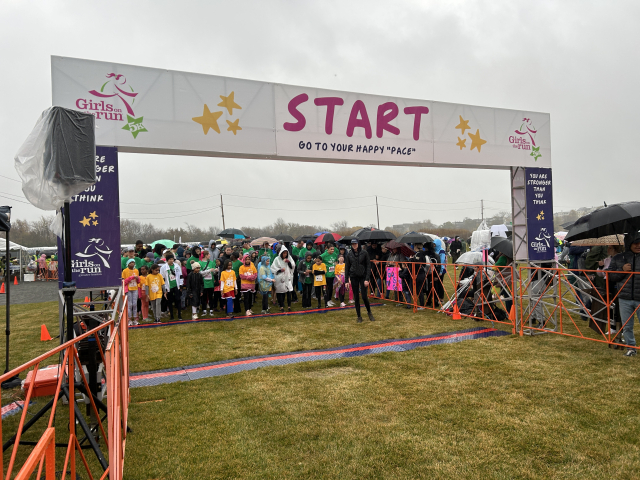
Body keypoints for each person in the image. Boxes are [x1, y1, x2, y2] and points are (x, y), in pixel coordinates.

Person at [606, 231, 640, 356]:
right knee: (627, 326)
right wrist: (622, 270)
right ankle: (631, 348)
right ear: (629, 243)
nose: (638, 245)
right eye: (635, 243)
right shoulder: (619, 258)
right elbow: (610, 276)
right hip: (624, 297)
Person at [345, 239, 375, 323]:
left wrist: (367, 279)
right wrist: (346, 280)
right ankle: (359, 316)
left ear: (358, 244)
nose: (354, 245)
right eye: (352, 244)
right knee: (356, 297)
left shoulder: (364, 253)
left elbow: (368, 266)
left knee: (364, 296)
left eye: (355, 243)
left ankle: (369, 312)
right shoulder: (349, 254)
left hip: (363, 276)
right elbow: (346, 267)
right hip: (353, 276)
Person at [271, 245, 296, 312]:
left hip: (288, 278)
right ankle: (281, 306)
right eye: (284, 253)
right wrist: (280, 270)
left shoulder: (289, 258)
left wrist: (288, 262)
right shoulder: (277, 259)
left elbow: (292, 267)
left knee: (289, 291)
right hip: (280, 278)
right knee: (280, 292)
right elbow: (273, 268)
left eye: (286, 253)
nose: (285, 254)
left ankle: (289, 306)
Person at [160, 253, 183, 320]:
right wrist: (164, 288)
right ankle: (171, 315)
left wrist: (181, 285)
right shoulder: (163, 267)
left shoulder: (177, 266)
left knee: (178, 300)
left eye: (172, 259)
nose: (171, 260)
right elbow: (162, 278)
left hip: (176, 285)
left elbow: (180, 276)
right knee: (169, 301)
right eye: (170, 259)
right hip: (169, 286)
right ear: (167, 260)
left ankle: (179, 315)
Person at [199, 250, 218, 317]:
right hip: (204, 283)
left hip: (211, 282)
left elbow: (214, 272)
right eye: (208, 254)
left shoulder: (211, 262)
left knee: (211, 297)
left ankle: (211, 310)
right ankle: (204, 310)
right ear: (205, 255)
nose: (210, 255)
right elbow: (200, 273)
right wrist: (209, 270)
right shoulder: (200, 263)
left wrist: (215, 271)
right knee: (204, 297)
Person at [122, 258, 141, 325]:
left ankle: (135, 319)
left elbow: (138, 281)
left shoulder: (136, 270)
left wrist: (137, 278)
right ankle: (129, 319)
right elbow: (124, 281)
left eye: (133, 262)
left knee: (135, 304)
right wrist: (131, 278)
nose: (132, 264)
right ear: (128, 264)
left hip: (135, 288)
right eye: (130, 263)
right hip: (129, 289)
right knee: (129, 304)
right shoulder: (125, 271)